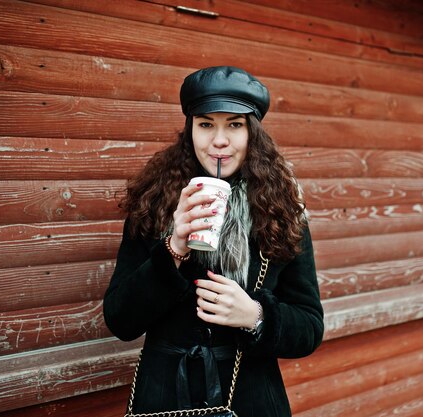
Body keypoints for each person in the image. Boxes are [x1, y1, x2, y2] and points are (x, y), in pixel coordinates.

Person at [103, 66, 324, 417]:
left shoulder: (283, 210)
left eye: (234, 125)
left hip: (250, 399)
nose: (219, 140)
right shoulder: (155, 202)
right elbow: (120, 321)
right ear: (190, 129)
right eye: (206, 124)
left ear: (252, 133)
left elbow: (310, 327)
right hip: (164, 399)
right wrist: (173, 248)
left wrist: (256, 315)